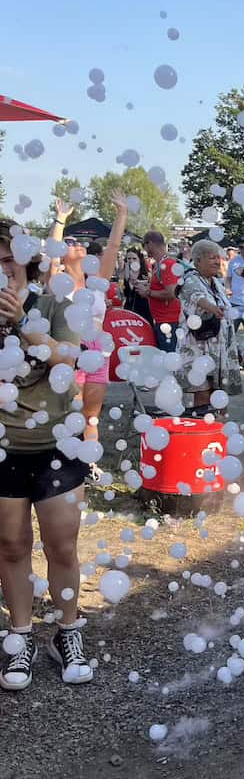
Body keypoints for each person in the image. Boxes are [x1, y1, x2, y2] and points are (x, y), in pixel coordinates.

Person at [0, 222, 93, 690]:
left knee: (61, 545)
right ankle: (19, 638)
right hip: (2, 448)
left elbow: (69, 357)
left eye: (5, 260)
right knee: (11, 546)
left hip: (57, 446)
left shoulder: (53, 301)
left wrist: (21, 324)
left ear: (25, 260)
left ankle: (67, 631)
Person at [49, 193, 128, 450]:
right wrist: (60, 220)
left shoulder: (96, 282)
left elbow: (114, 247)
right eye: (70, 243)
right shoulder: (58, 282)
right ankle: (66, 460)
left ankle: (90, 463)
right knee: (68, 415)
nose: (78, 244)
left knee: (91, 417)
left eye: (80, 242)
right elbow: (52, 252)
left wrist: (121, 214)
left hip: (98, 354)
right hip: (71, 354)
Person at [179, 240, 242, 414]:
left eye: (219, 258)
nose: (217, 262)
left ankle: (218, 431)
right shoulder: (190, 279)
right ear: (198, 261)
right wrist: (213, 309)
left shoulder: (215, 282)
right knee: (203, 395)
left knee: (220, 395)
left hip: (219, 349)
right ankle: (202, 432)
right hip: (198, 349)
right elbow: (197, 298)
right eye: (212, 258)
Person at [136, 230, 182, 352]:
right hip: (163, 320)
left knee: (169, 358)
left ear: (150, 244)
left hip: (169, 321)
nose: (144, 249)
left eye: (144, 245)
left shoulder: (166, 264)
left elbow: (171, 293)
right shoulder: (159, 264)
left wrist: (147, 292)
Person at [120, 247, 153, 322]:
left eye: (134, 258)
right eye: (129, 258)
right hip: (128, 312)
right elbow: (121, 295)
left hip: (144, 312)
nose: (131, 261)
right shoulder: (123, 275)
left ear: (139, 260)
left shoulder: (147, 275)